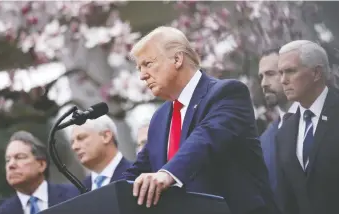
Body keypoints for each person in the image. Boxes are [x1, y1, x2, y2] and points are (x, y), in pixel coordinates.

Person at [123, 26, 280, 214]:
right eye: (139, 68)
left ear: (177, 59)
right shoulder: (159, 118)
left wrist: (167, 174)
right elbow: (139, 169)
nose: (142, 75)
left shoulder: (227, 93)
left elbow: (206, 138)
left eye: (147, 64)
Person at [275, 40, 339, 214]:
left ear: (316, 73)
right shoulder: (284, 132)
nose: (283, 80)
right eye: (280, 73)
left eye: (290, 71)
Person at [0, 131, 76, 214]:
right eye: (8, 160)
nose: (11, 165)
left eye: (20, 157)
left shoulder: (75, 195)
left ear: (41, 165)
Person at [258, 48, 297, 192]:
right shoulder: (265, 141)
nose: (263, 83)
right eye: (261, 76)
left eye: (270, 74)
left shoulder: (325, 118)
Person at [71, 115, 131, 191]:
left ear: (106, 136)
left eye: (81, 138)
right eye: (72, 142)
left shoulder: (139, 176)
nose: (74, 147)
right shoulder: (77, 190)